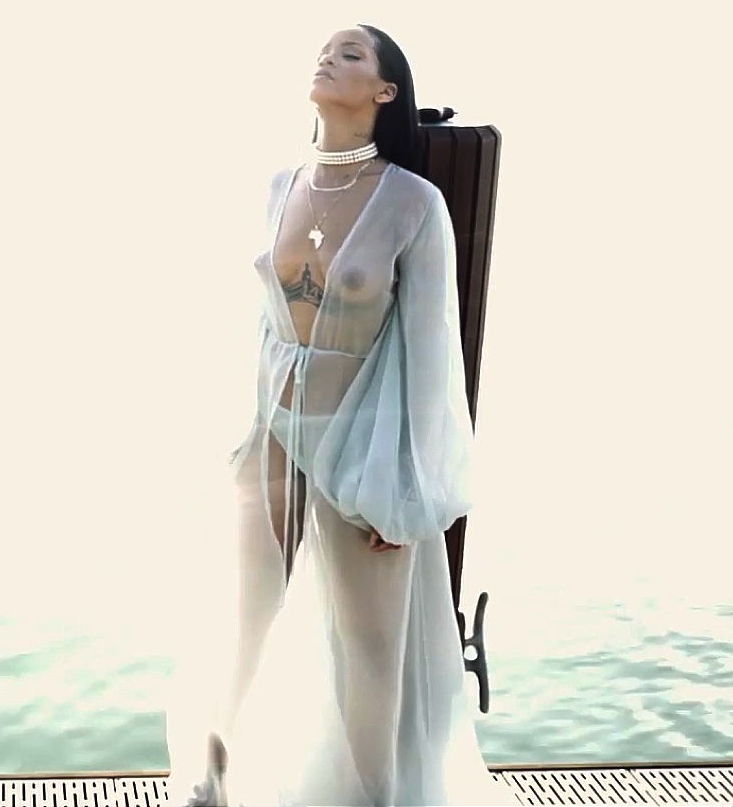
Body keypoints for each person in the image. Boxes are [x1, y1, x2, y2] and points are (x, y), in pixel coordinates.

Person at [165, 22, 519, 807]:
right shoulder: (279, 184)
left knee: (369, 647)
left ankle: (374, 799)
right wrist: (236, 433)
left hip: (362, 438)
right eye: (326, 49)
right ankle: (211, 783)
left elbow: (431, 355)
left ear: (385, 91)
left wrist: (409, 488)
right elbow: (258, 324)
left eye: (351, 53)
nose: (328, 56)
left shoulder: (413, 203)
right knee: (241, 617)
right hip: (272, 431)